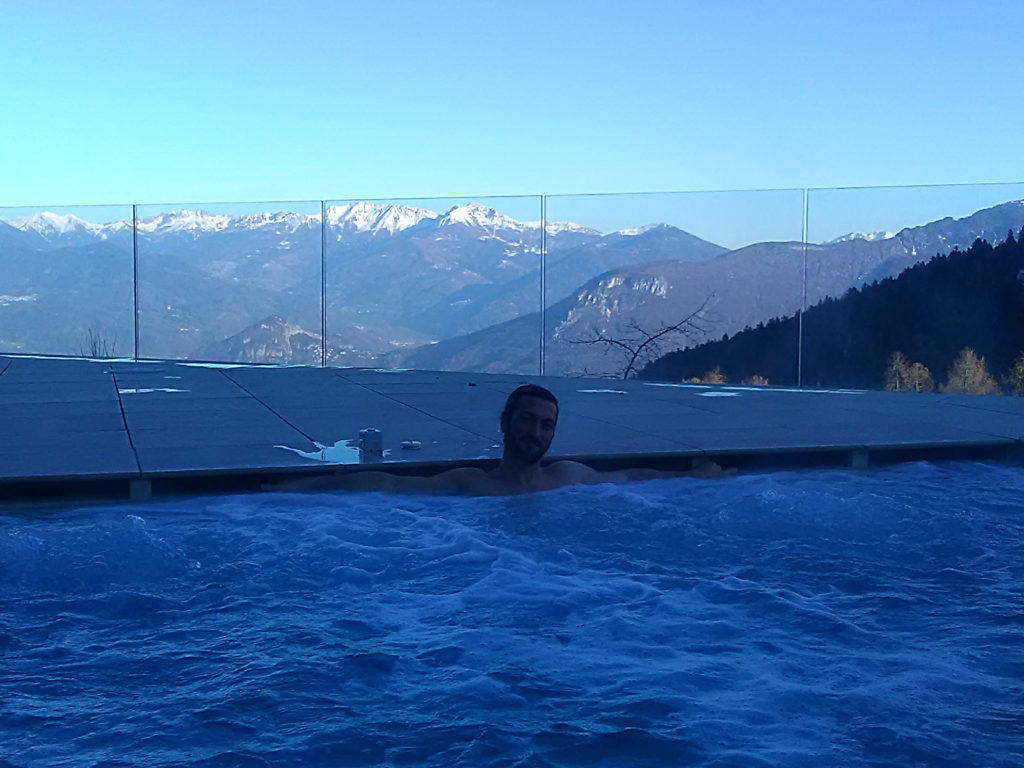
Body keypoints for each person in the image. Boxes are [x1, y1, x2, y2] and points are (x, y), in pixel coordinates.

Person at [268, 384, 727, 495]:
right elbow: (387, 483)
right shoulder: (472, 483)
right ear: (505, 424)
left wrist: (694, 474)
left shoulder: (567, 478)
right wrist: (296, 487)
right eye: (527, 421)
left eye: (546, 425)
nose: (536, 433)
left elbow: (628, 475)